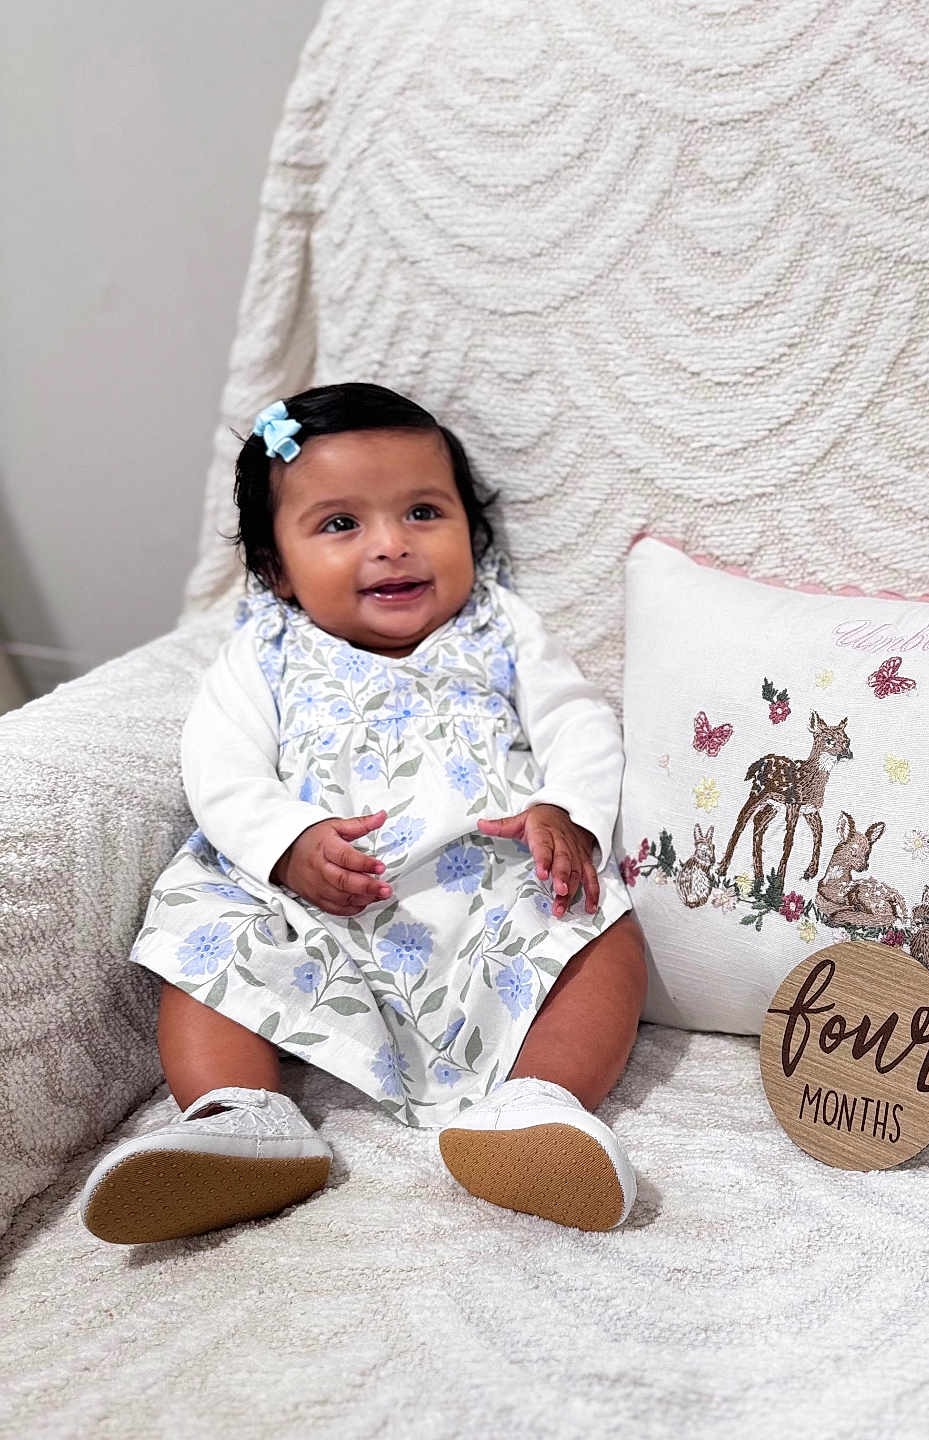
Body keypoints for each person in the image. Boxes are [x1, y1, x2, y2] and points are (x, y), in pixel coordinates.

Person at [79, 383, 648, 1243]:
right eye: (340, 525)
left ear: (470, 530)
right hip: (316, 902)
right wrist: (286, 843)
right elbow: (220, 768)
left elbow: (578, 719)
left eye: (423, 511)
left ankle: (539, 1107)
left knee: (596, 920)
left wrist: (566, 810)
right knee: (207, 921)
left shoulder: (499, 629)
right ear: (276, 568)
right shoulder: (265, 652)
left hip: (482, 889)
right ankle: (241, 1118)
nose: (391, 546)